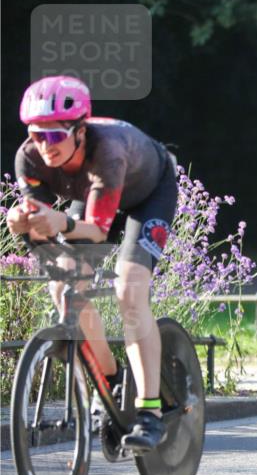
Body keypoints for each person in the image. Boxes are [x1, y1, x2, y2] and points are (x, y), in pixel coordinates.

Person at [7, 75, 177, 452]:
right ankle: (110, 377)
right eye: (37, 135)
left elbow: (97, 232)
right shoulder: (29, 158)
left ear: (80, 131)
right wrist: (23, 223)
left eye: (55, 136)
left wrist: (61, 221)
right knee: (64, 285)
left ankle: (149, 412)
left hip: (147, 194)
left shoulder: (107, 151)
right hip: (92, 193)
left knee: (129, 290)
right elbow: (43, 226)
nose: (44, 146)